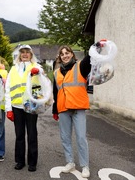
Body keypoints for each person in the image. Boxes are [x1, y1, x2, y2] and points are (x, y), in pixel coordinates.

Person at [52, 45, 91, 178]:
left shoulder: (80, 66)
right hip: (63, 108)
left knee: (81, 137)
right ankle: (70, 163)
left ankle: (85, 166)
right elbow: (55, 91)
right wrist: (55, 110)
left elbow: (89, 59)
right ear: (60, 57)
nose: (65, 56)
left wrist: (97, 47)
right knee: (65, 138)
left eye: (67, 53)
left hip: (78, 107)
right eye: (62, 54)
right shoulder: (56, 72)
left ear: (72, 54)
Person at [5, 45, 43, 172]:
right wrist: (8, 109)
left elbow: (43, 83)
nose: (25, 54)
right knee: (19, 135)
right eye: (22, 53)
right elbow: (8, 89)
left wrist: (38, 73)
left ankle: (32, 162)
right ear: (19, 55)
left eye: (27, 52)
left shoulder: (37, 67)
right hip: (17, 106)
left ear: (31, 55)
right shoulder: (13, 69)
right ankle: (20, 161)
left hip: (31, 105)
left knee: (32, 134)